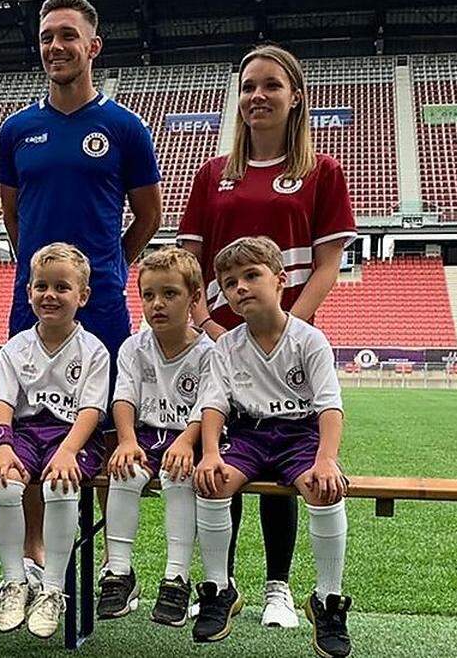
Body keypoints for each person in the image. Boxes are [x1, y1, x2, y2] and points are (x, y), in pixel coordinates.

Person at [177, 44, 356, 628]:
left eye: (272, 85)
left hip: (287, 335)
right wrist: (207, 326)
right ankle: (217, 588)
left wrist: (286, 325)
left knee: (286, 453)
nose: (258, 96)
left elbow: (327, 263)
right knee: (222, 456)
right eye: (249, 86)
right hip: (220, 344)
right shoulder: (213, 175)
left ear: (295, 95)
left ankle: (279, 586)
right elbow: (190, 264)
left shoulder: (320, 171)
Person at [0, 0, 162, 583]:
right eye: (46, 37)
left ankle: (102, 565)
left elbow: (148, 213)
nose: (55, 47)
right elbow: (14, 216)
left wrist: (110, 264)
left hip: (104, 303)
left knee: (97, 430)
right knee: (30, 423)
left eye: (67, 35)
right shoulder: (17, 129)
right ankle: (38, 558)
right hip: (31, 298)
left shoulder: (125, 128)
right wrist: (36, 271)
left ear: (92, 46)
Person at [190, 237, 352, 658]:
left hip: (299, 437)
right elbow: (213, 405)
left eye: (251, 276)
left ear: (280, 281)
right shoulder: (226, 346)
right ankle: (218, 589)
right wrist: (209, 452)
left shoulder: (308, 339)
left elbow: (330, 406)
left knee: (323, 488)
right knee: (212, 481)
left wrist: (327, 460)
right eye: (229, 283)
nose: (240, 287)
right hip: (249, 434)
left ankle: (327, 601)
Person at [0, 242, 110, 639]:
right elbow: (3, 401)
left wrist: (68, 451)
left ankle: (53, 590)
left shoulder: (93, 350)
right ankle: (15, 581)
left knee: (61, 482)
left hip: (73, 436)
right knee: (4, 480)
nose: (50, 295)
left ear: (83, 296)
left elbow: (92, 410)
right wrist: (2, 446)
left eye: (62, 287)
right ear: (28, 292)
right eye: (41, 286)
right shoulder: (15, 347)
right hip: (24, 434)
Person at [100, 247, 212, 627]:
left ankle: (176, 577)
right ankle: (119, 573)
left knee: (177, 476)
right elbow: (124, 398)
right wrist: (128, 440)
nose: (157, 304)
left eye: (169, 294)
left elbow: (210, 407)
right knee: (124, 471)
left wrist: (185, 441)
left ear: (194, 298)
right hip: (145, 435)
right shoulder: (134, 347)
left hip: (190, 438)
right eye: (148, 295)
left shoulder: (208, 353)